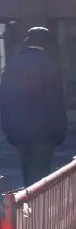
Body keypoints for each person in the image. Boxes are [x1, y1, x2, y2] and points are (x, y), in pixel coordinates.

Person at [1, 26, 67, 186]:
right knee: (40, 177)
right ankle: (35, 209)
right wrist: (59, 131)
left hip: (19, 132)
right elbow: (55, 102)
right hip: (44, 132)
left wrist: (9, 129)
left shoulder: (11, 67)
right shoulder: (50, 66)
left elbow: (4, 100)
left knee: (27, 173)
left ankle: (27, 208)